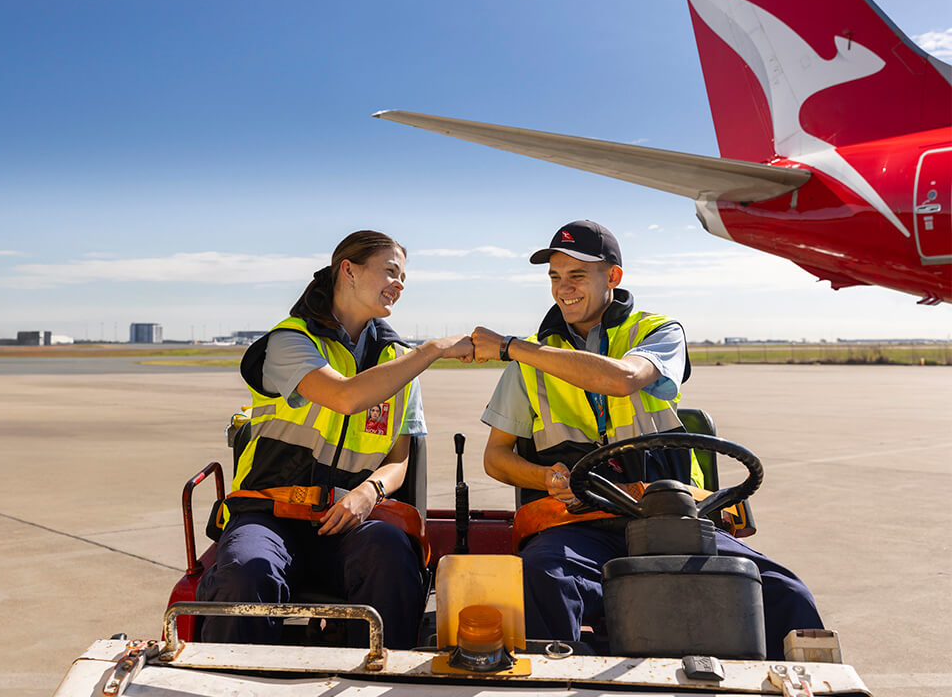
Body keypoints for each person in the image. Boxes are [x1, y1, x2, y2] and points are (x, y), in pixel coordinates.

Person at [471, 219, 822, 659]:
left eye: (577, 275)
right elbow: (496, 458)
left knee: (786, 593)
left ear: (612, 276)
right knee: (543, 574)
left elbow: (625, 379)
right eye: (555, 278)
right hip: (580, 524)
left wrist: (511, 345)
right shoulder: (527, 363)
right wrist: (547, 477)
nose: (564, 289)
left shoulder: (656, 332)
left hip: (673, 517)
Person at [198, 230, 473, 648]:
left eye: (403, 277)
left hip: (348, 520)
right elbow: (344, 396)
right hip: (271, 514)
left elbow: (400, 457)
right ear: (348, 270)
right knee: (246, 570)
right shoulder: (291, 341)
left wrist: (368, 492)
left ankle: (382, 682)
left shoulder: (397, 360)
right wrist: (432, 350)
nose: (400, 284)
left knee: (391, 555)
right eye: (390, 271)